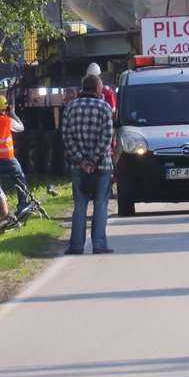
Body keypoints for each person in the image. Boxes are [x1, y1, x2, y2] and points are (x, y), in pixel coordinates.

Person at [61, 74, 114, 255]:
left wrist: (82, 161)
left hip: (78, 167)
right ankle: (99, 245)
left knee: (80, 204)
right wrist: (93, 159)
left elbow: (66, 137)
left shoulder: (70, 108)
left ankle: (76, 245)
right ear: (98, 89)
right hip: (102, 166)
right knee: (100, 204)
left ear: (82, 88)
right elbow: (107, 137)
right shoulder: (105, 108)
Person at [0, 94, 29, 213]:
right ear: (5, 108)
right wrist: (13, 113)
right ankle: (22, 205)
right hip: (8, 157)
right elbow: (21, 127)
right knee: (19, 178)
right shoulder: (7, 120)